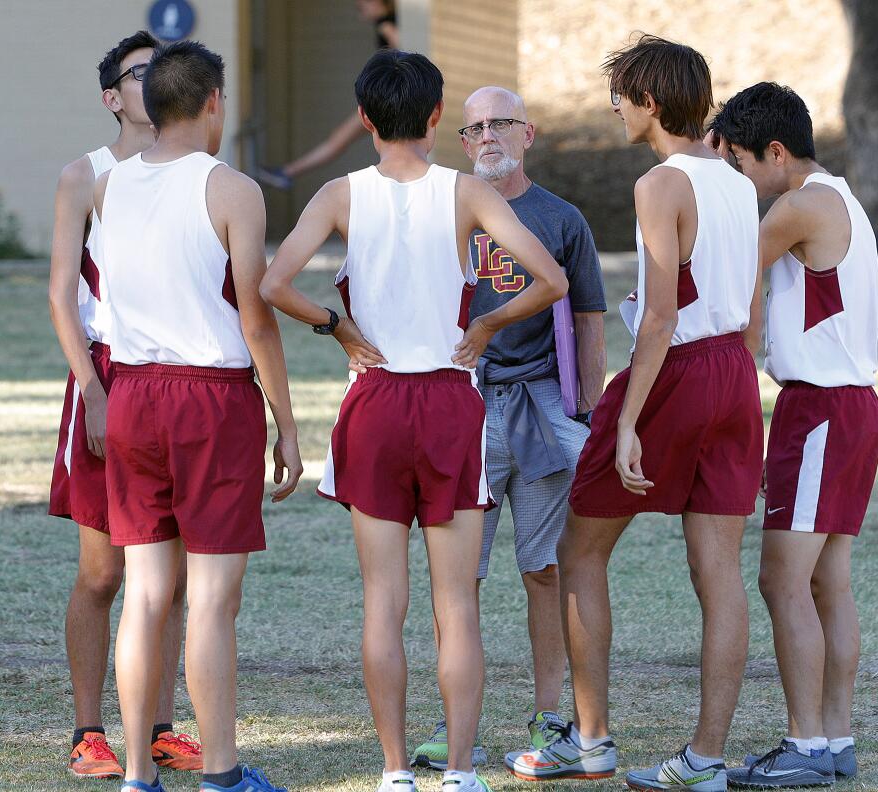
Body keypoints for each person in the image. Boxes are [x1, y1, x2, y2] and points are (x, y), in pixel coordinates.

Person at [261, 49, 569, 792]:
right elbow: (551, 279)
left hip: (373, 401)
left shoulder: (339, 194)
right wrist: (489, 328)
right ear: (438, 118)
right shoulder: (465, 192)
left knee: (382, 601)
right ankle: (460, 771)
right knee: (455, 603)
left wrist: (334, 325)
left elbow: (272, 282)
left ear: (364, 119)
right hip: (450, 402)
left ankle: (396, 769)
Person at [516, 36, 763, 791]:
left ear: (650, 101)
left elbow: (658, 318)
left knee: (579, 549)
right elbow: (746, 311)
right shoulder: (739, 182)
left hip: (678, 372)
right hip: (733, 374)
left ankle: (591, 743)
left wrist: (625, 420)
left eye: (620, 96)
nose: (615, 109)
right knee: (720, 573)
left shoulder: (661, 184)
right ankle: (705, 761)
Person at [94, 40, 302, 792]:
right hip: (209, 398)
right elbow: (256, 318)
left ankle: (138, 774)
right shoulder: (231, 188)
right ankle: (220, 771)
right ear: (214, 101)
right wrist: (287, 420)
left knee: (145, 593)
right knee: (211, 598)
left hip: (133, 394)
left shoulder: (108, 187)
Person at [410, 85, 608, 774]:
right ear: (461, 143)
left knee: (546, 568)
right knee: (456, 575)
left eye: (501, 123)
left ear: (529, 133)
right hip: (464, 404)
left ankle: (552, 716)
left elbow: (587, 319)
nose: (488, 135)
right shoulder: (444, 210)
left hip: (545, 406)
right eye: (474, 128)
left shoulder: (560, 218)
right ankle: (454, 718)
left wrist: (589, 411)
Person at [706, 83, 878, 789]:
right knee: (826, 582)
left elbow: (727, 270)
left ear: (776, 152)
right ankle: (833, 738)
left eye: (743, 165)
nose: (741, 180)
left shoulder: (798, 204)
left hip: (821, 411)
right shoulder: (837, 195)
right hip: (847, 407)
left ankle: (804, 746)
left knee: (782, 580)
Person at [47, 29, 203, 779]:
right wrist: (91, 389)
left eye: (162, 71)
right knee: (105, 571)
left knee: (167, 572)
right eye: (140, 74)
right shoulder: (87, 173)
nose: (154, 82)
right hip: (108, 372)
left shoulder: (200, 171)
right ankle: (88, 730)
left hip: (179, 377)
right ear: (113, 97)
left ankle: (165, 725)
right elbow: (58, 295)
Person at [255, 0, 398, 190]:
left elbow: (408, 59)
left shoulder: (386, 25)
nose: (358, 4)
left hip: (387, 100)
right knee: (340, 140)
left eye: (363, 3)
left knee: (339, 140)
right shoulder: (385, 23)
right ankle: (287, 172)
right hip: (387, 98)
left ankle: (287, 172)